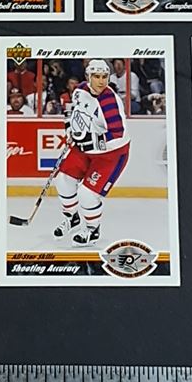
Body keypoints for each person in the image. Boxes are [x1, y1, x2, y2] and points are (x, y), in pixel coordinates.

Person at [53, 59, 130, 247]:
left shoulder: (109, 101)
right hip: (85, 149)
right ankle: (72, 218)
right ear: (88, 77)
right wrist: (70, 128)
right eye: (96, 76)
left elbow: (117, 134)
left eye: (104, 76)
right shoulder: (80, 89)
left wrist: (90, 140)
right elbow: (73, 111)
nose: (101, 81)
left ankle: (92, 229)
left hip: (111, 154)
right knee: (62, 180)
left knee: (87, 194)